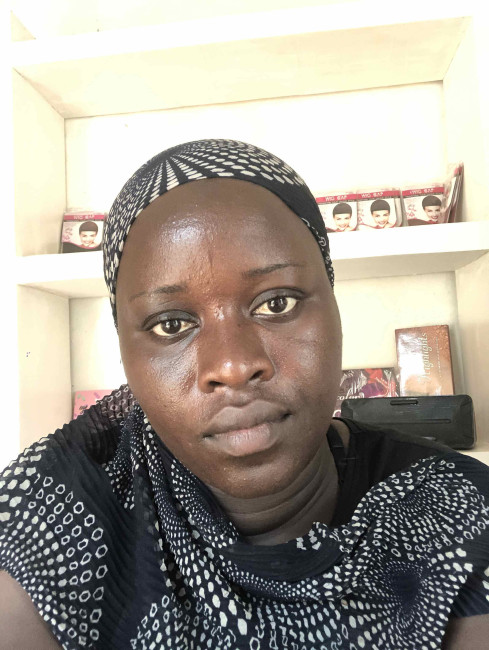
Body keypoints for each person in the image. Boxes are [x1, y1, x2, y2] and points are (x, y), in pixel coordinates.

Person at [0, 139, 488, 649]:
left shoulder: (460, 511)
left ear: (333, 305)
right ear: (124, 348)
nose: (232, 367)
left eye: (277, 303)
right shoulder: (50, 520)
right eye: (171, 324)